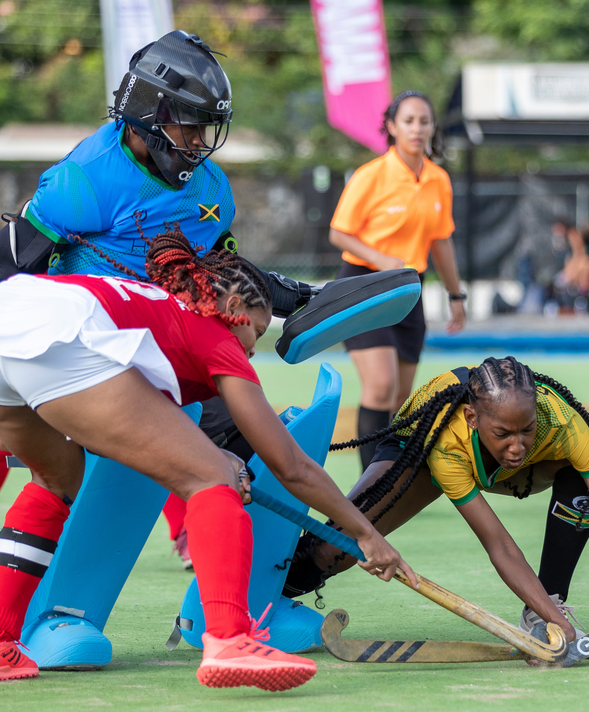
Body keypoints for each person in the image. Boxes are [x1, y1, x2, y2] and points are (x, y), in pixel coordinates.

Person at [0, 30, 339, 657]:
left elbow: (222, 273)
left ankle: (244, 606)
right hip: (84, 350)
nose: (200, 142)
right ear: (147, 114)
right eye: (190, 125)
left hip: (167, 347)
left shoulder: (210, 187)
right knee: (66, 475)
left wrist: (292, 296)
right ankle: (57, 618)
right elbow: (16, 263)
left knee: (250, 452)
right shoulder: (84, 179)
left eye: (208, 127)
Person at [0, 230, 414, 688]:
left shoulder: (159, 316)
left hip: (12, 312)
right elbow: (291, 466)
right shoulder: (213, 335)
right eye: (256, 330)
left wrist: (212, 453)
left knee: (56, 481)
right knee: (211, 479)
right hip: (59, 333)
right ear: (232, 306)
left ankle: (1, 643)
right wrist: (366, 535)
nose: (252, 348)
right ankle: (230, 640)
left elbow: (137, 426)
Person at [282, 357, 589, 655]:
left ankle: (544, 604)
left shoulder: (564, 422)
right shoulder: (450, 440)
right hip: (418, 451)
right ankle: (273, 596)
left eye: (527, 429)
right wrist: (561, 627)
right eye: (504, 433)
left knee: (583, 482)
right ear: (473, 418)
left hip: (515, 472)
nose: (517, 445)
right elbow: (500, 546)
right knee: (332, 549)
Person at [329, 90, 466, 471]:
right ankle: (369, 488)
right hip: (364, 285)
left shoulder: (438, 179)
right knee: (381, 386)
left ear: (433, 127)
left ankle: (390, 478)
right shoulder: (371, 175)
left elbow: (441, 242)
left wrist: (456, 295)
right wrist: (380, 259)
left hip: (408, 290)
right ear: (391, 126)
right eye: (408, 121)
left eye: (424, 121)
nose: (417, 128)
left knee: (401, 400)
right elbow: (339, 233)